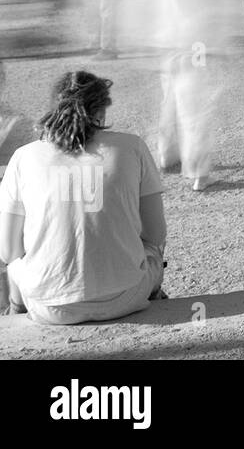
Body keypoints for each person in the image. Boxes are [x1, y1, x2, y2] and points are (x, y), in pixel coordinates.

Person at [1, 72, 167, 324]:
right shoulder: (132, 146)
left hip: (49, 307)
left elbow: (8, 249)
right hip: (126, 298)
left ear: (54, 109)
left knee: (16, 263)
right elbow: (156, 235)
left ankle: (15, 311)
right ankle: (155, 295)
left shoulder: (24, 156)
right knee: (152, 249)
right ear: (102, 111)